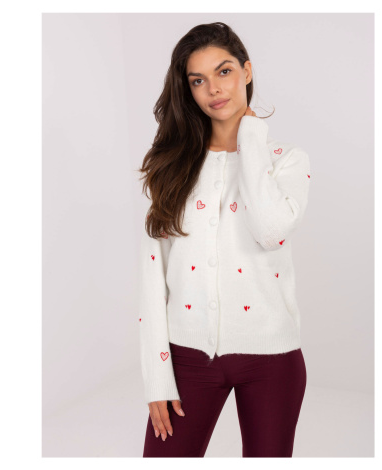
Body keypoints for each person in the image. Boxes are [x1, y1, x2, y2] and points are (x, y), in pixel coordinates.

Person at [136, 22, 311, 457]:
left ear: (247, 72)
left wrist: (250, 138)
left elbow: (270, 231)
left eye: (224, 71)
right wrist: (157, 378)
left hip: (272, 359)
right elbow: (152, 277)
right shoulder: (172, 168)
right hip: (187, 359)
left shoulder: (286, 161)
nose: (213, 88)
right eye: (198, 80)